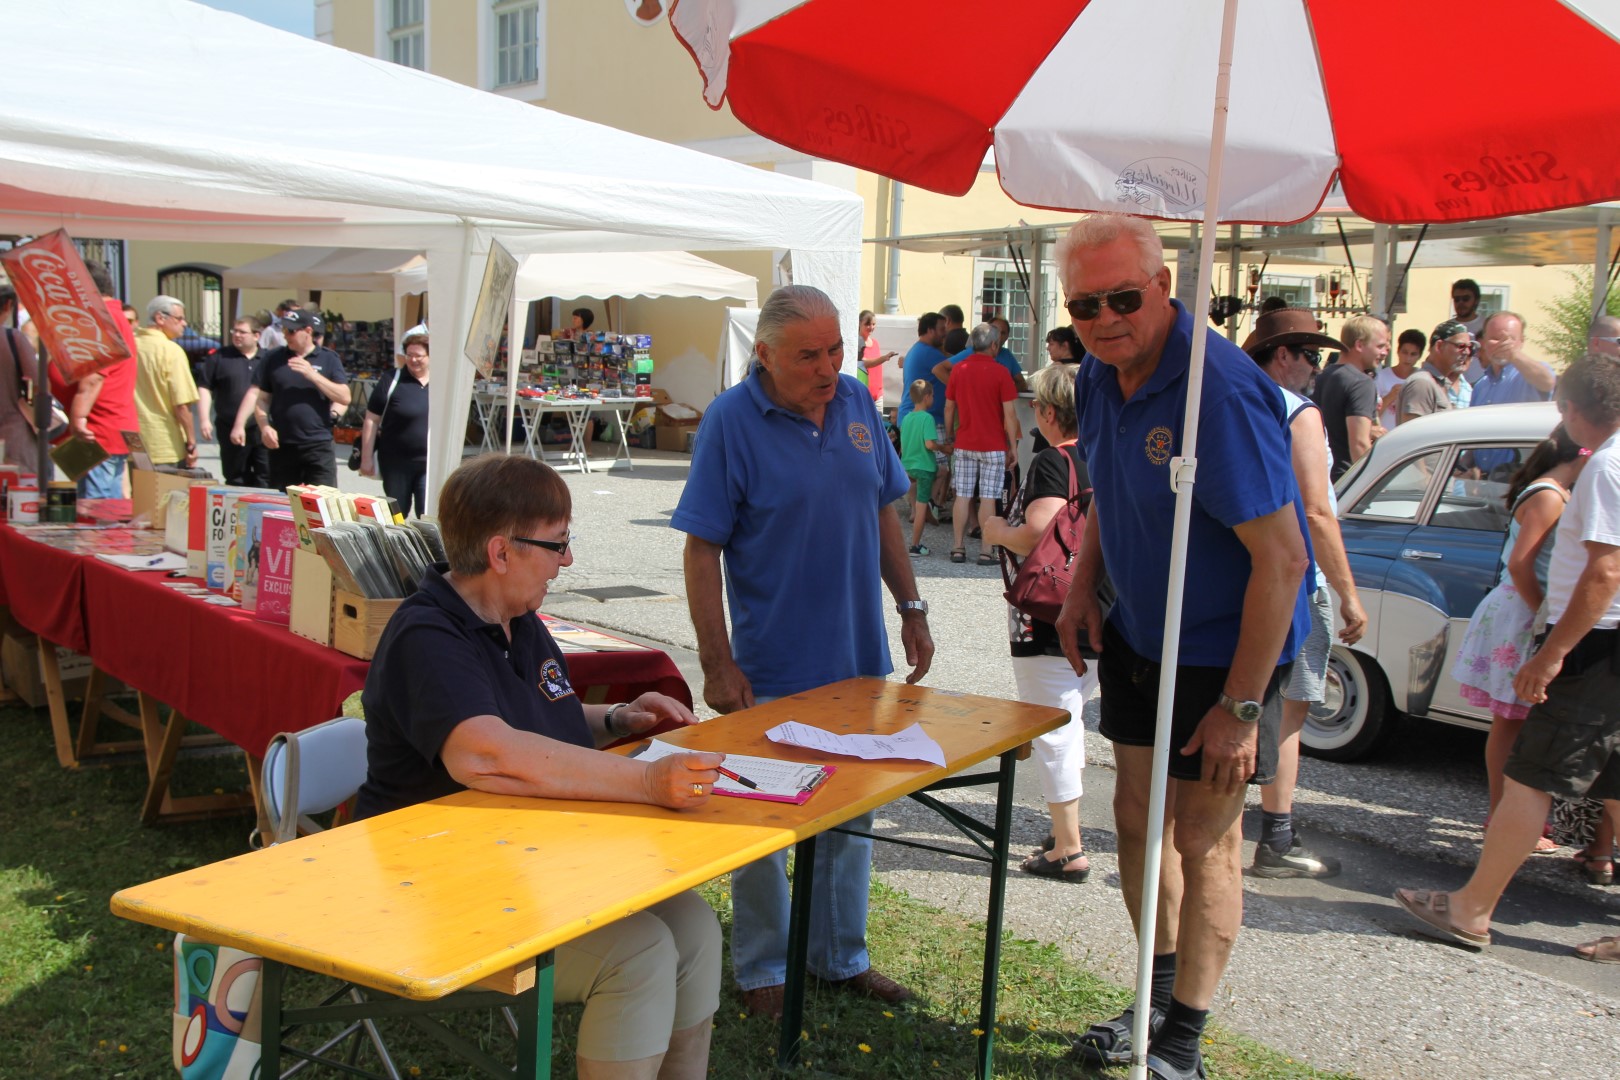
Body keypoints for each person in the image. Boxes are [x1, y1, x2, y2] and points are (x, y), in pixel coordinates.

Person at [355, 452, 722, 1078]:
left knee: (695, 927)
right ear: (502, 552)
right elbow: (486, 753)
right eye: (557, 544)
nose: (568, 560)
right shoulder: (428, 635)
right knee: (637, 952)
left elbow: (538, 715)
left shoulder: (513, 615)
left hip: (522, 861)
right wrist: (646, 780)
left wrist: (614, 719)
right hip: (433, 891)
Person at [1053, 213, 1310, 1080]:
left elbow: (1283, 561)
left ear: (1164, 287)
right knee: (1134, 820)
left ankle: (1183, 1047)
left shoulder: (1223, 392)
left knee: (1206, 841)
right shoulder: (1095, 371)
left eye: (1124, 297)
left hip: (1224, 650)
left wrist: (1241, 711)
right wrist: (1085, 581)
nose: (1105, 318)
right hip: (1138, 630)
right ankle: (1152, 999)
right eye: (1085, 304)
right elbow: (1108, 486)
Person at [673, 284, 933, 1021]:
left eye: (836, 351)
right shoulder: (730, 421)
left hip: (858, 657)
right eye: (808, 355)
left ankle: (837, 956)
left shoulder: (854, 405)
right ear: (764, 355)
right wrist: (716, 663)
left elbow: (884, 507)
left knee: (850, 817)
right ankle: (762, 970)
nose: (827, 368)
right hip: (772, 666)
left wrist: (911, 608)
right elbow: (702, 551)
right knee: (762, 824)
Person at [1395, 355, 1620, 965]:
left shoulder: (1605, 466)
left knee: (1530, 775)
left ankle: (1472, 908)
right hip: (1607, 645)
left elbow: (1603, 573)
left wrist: (1551, 654)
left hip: (1597, 645)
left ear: (1573, 411)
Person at [1243, 308, 1371, 878]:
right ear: (1284, 355)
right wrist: (1349, 594)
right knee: (1291, 711)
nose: (1317, 367)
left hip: (1247, 570)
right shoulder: (1299, 412)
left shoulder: (1238, 404)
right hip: (1295, 577)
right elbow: (1318, 511)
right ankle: (1278, 834)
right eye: (1310, 355)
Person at [981, 363, 1096, 882]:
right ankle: (1062, 825)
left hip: (1051, 614)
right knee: (1075, 710)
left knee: (1054, 725)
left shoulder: (1056, 459)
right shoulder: (1106, 454)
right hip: (1103, 605)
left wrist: (993, 530)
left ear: (1049, 412)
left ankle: (1068, 848)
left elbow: (1038, 533)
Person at [1450, 426, 1587, 847]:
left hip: (1525, 610)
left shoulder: (1555, 492)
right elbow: (1522, 565)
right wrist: (1542, 616)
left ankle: (1512, 815)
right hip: (1523, 612)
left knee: (1516, 723)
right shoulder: (1549, 495)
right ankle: (1501, 815)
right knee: (1509, 724)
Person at [44, 258, 139, 499]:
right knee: (102, 501)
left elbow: (94, 375)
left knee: (97, 506)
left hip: (97, 429)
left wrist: (78, 418)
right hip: (101, 427)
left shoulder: (103, 316)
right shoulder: (111, 316)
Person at [232, 308, 350, 489]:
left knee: (322, 504)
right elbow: (262, 399)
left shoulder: (328, 358)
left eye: (291, 331)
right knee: (283, 505)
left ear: (308, 331)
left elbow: (344, 396)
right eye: (284, 330)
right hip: (283, 445)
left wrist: (312, 375)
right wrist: (264, 427)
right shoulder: (273, 358)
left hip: (317, 445)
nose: (286, 335)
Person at [944, 322, 1020, 565]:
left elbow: (949, 407)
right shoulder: (1001, 373)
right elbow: (1009, 415)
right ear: (994, 345)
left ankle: (957, 547)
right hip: (994, 445)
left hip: (965, 442)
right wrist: (1013, 447)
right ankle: (986, 551)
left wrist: (950, 435)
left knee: (963, 496)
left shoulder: (959, 369)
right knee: (988, 497)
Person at [360, 331, 431, 517]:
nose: (413, 360)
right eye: (409, 355)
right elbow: (371, 419)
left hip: (429, 462)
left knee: (427, 514)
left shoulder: (440, 382)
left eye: (418, 356)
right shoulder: (392, 379)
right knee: (396, 514)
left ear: (430, 357)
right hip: (396, 463)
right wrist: (366, 459)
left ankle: (424, 546)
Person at [1312, 313, 1388, 479]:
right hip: (1347, 479)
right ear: (1359, 345)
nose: (1384, 353)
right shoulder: (1361, 383)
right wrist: (1377, 482)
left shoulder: (1320, 377)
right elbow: (1359, 445)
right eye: (1380, 346)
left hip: (1320, 474)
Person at [198, 318, 269, 487]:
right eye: (234, 331)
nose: (237, 335)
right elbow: (204, 388)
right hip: (229, 427)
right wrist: (204, 419)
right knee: (235, 477)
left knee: (266, 477)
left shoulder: (268, 359)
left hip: (262, 428)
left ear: (256, 336)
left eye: (242, 332)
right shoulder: (219, 357)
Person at [133, 295, 199, 468]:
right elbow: (181, 404)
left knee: (136, 494)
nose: (184, 323)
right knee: (164, 494)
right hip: (163, 443)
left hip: (132, 440)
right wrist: (191, 441)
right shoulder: (171, 351)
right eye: (179, 318)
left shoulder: (130, 345)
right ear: (160, 318)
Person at [899, 378, 948, 557]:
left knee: (942, 472)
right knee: (921, 508)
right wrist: (942, 448)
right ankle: (915, 545)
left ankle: (929, 502)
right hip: (925, 468)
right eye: (933, 395)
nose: (933, 399)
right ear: (927, 397)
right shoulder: (927, 418)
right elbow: (929, 444)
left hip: (907, 466)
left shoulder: (906, 418)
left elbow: (903, 446)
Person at [1470, 311, 1555, 407]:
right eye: (1495, 339)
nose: (1501, 344)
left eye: (1509, 339)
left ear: (1521, 341)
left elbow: (1548, 382)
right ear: (1484, 342)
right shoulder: (1480, 387)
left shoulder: (1528, 377)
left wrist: (1513, 354)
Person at [0, 284, 42, 472]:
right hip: (13, 431)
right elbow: (40, 383)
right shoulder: (13, 338)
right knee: (17, 494)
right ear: (8, 305)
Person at [1396, 320, 1471, 424]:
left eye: (1469, 347)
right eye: (1461, 346)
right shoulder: (1422, 383)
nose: (1467, 352)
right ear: (1439, 346)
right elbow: (1413, 435)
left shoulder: (1439, 383)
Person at [1376, 328, 1424, 433]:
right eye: (1405, 352)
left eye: (1413, 354)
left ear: (1419, 356)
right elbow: (1372, 414)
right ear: (1398, 351)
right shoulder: (1382, 377)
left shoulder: (1422, 379)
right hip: (1386, 436)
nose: (1408, 358)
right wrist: (1390, 396)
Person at [856, 309, 897, 406]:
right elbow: (863, 363)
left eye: (873, 324)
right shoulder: (858, 343)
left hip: (877, 395)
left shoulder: (875, 343)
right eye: (867, 324)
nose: (871, 327)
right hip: (863, 395)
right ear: (859, 323)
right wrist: (884, 358)